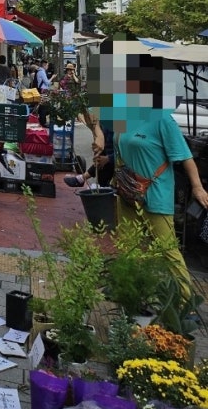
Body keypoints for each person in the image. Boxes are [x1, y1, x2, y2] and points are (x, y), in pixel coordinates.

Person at [88, 32, 208, 303]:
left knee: (167, 251)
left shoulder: (161, 119)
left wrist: (198, 188)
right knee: (129, 248)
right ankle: (134, 297)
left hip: (154, 195)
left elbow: (185, 157)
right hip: (127, 193)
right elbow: (95, 116)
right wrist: (100, 139)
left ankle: (185, 302)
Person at [64, 122, 115, 188]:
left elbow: (123, 152)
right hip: (107, 154)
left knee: (105, 166)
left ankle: (82, 178)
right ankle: (82, 178)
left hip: (115, 161)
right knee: (100, 161)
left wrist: (108, 158)